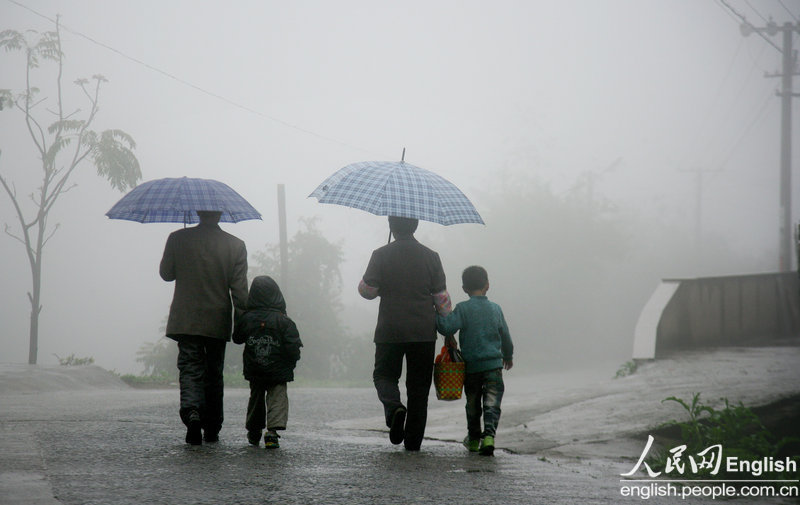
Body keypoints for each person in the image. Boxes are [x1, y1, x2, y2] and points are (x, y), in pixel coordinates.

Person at [358, 216, 452, 451]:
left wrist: (371, 285)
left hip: (390, 329)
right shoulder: (431, 256)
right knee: (419, 388)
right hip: (423, 332)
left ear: (391, 226)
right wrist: (448, 331)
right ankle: (413, 442)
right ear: (416, 225)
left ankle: (394, 408)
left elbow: (368, 291)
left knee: (384, 376)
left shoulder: (380, 254)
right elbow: (441, 298)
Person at [159, 210, 249, 445]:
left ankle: (192, 413)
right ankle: (212, 427)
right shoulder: (235, 245)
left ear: (198, 212)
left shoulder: (178, 238)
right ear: (220, 215)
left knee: (190, 368)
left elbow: (166, 274)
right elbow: (239, 292)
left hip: (186, 319)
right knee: (213, 373)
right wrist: (242, 326)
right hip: (217, 321)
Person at [436, 265, 513, 456]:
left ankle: (472, 440)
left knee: (472, 405)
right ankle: (489, 437)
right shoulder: (496, 309)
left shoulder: (463, 309)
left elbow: (447, 327)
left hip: (471, 369)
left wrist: (435, 313)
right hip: (493, 366)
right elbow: (505, 336)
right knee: (491, 403)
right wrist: (508, 355)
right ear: (487, 285)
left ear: (464, 289)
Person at [232, 275, 302, 449]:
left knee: (256, 398)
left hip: (255, 367)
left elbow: (237, 338)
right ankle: (272, 432)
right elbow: (293, 346)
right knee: (277, 397)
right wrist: (292, 362)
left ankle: (254, 431)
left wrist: (240, 315)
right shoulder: (284, 321)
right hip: (278, 370)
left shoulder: (247, 319)